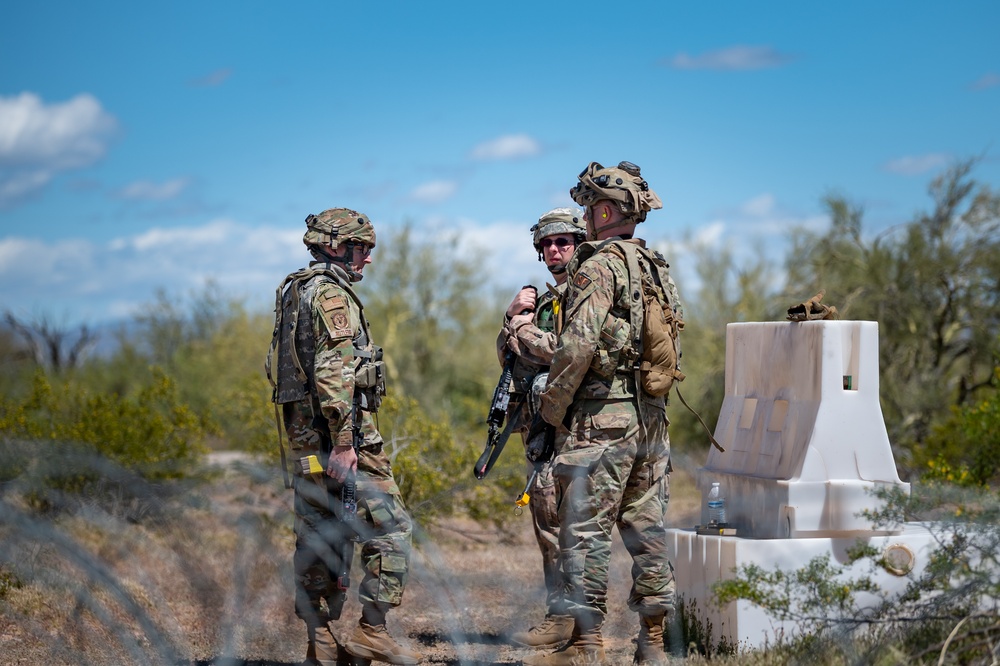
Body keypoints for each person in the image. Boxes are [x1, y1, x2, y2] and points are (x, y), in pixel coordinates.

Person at [528, 162, 682, 666]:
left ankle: (586, 644)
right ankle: (654, 642)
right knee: (648, 531)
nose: (585, 217)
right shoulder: (656, 266)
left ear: (606, 210)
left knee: (585, 533)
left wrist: (553, 410)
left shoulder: (597, 265)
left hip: (601, 421)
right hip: (653, 421)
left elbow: (576, 348)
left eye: (589, 207)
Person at [266, 209, 423, 666]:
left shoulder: (297, 289)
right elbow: (334, 373)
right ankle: (372, 629)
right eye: (362, 248)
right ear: (335, 246)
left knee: (318, 534)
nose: (368, 259)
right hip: (341, 442)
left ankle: (321, 641)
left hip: (304, 444)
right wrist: (344, 444)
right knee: (392, 527)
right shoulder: (332, 296)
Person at [496, 208, 586, 650]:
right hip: (543, 433)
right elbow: (513, 361)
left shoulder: (589, 294)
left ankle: (583, 622)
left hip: (580, 431)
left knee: (582, 529)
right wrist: (511, 319)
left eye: (563, 242)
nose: (554, 250)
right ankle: (560, 616)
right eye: (547, 244)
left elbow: (565, 352)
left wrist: (522, 328)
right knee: (549, 525)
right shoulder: (548, 301)